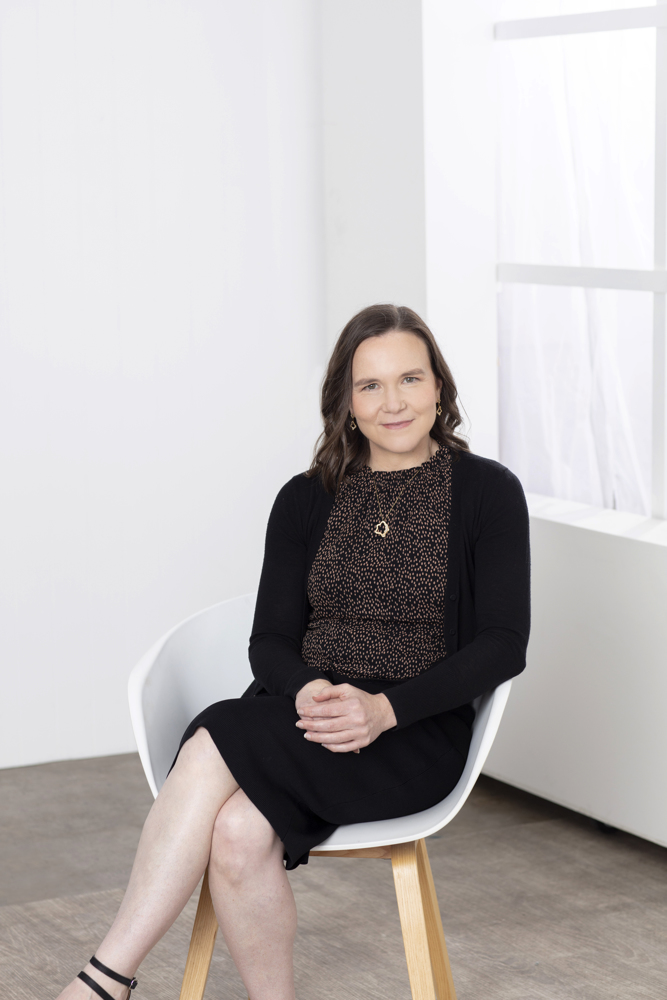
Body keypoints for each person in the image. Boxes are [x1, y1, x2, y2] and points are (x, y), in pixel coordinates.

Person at [58, 304, 530, 1000]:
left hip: (413, 731)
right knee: (240, 833)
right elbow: (271, 640)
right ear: (345, 401)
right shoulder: (306, 498)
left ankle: (105, 979)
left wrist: (384, 711)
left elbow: (501, 645)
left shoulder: (488, 492)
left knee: (218, 730)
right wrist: (307, 689)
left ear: (439, 389)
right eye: (369, 386)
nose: (392, 402)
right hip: (302, 715)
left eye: (409, 379)